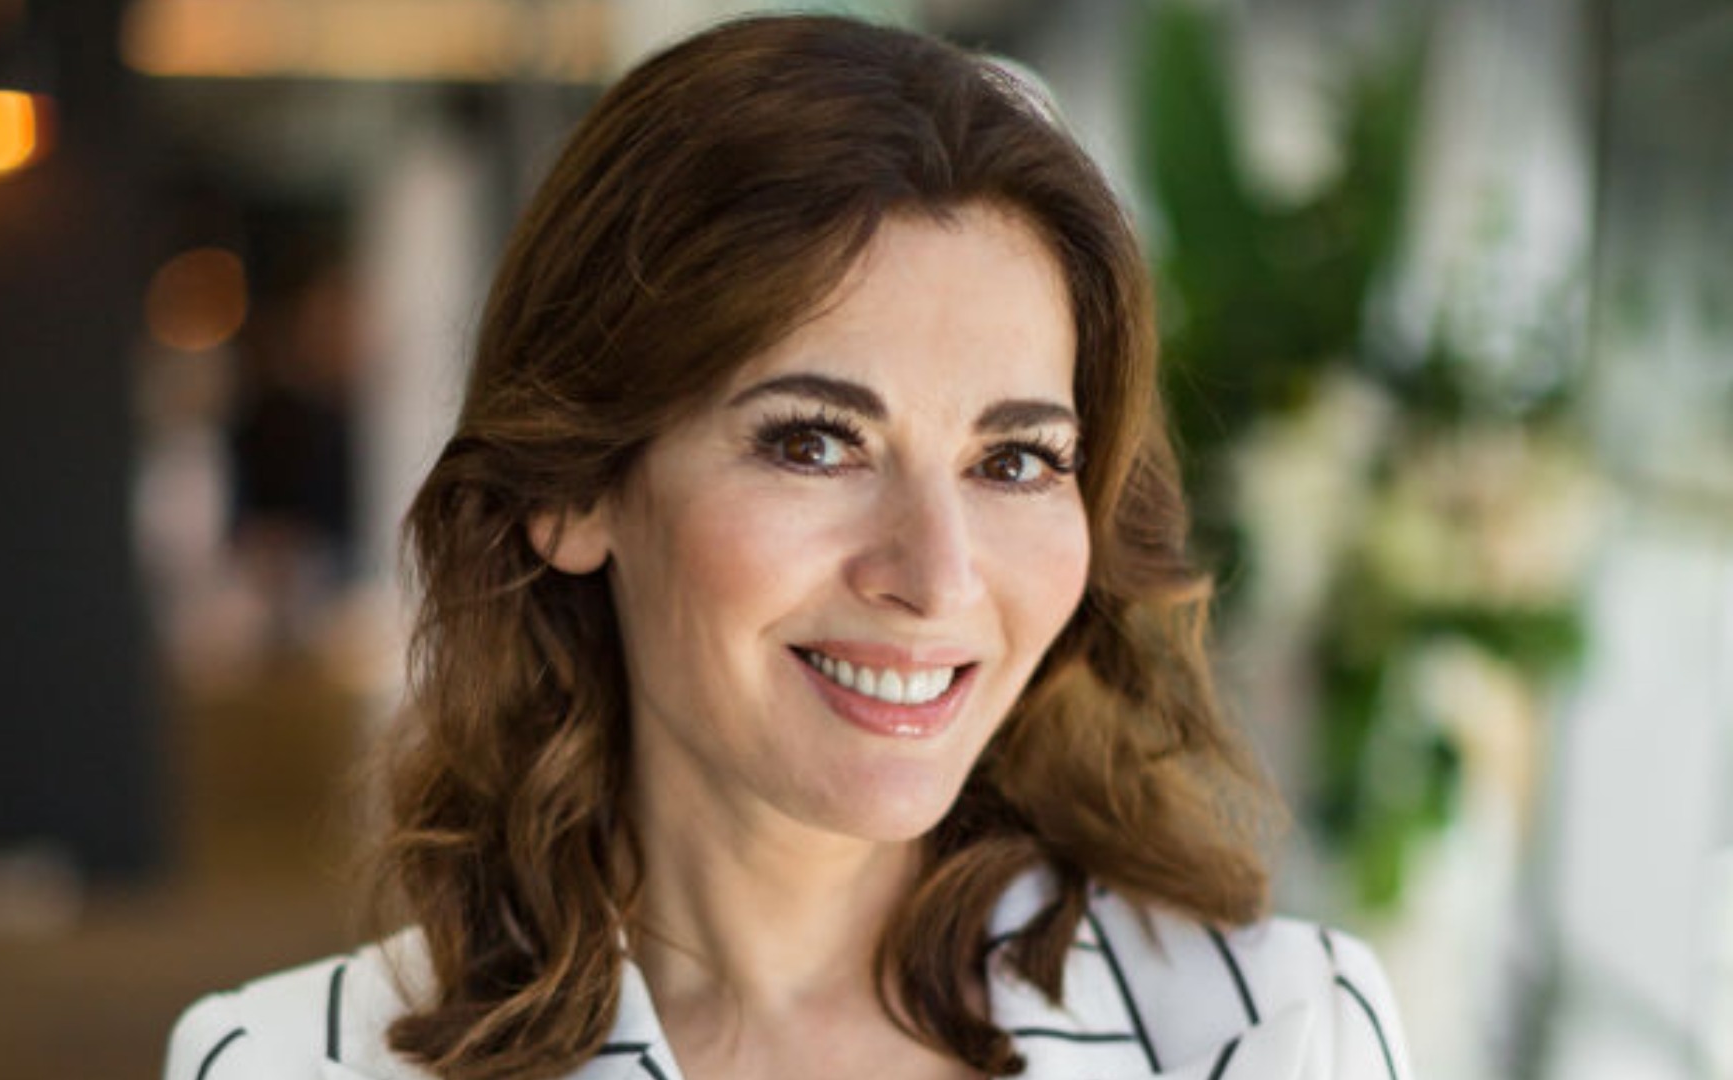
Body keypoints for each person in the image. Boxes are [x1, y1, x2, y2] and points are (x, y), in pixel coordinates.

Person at [165, 14, 1413, 1080]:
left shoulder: (1274, 1038)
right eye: (816, 444)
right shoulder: (287, 1062)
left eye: (1015, 460)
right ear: (576, 489)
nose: (938, 577)